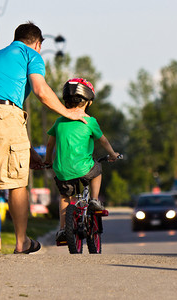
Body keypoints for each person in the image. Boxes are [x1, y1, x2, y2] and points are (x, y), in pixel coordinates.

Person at [0, 22, 88, 254]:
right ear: (38, 44)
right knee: (17, 183)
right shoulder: (31, 55)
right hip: (2, 112)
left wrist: (27, 152)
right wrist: (69, 112)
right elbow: (40, 90)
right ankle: (21, 244)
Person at [43, 78, 120, 242]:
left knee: (65, 197)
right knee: (97, 169)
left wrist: (48, 161)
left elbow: (50, 145)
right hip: (84, 168)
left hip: (62, 170)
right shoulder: (90, 121)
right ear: (89, 102)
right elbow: (103, 141)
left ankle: (63, 230)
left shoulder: (59, 122)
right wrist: (113, 155)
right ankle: (93, 200)